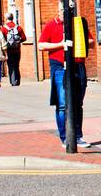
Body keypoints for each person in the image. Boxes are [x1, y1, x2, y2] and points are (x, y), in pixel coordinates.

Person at [38, 9, 94, 147]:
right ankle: (65, 137)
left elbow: (91, 41)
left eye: (68, 10)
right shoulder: (51, 25)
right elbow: (41, 45)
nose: (65, 13)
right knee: (62, 104)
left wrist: (80, 42)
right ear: (58, 11)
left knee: (78, 103)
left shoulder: (78, 23)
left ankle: (78, 136)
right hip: (59, 67)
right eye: (62, 10)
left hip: (78, 64)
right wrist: (61, 44)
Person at [3, 13, 26, 86]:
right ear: (12, 18)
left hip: (9, 50)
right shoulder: (18, 27)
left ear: (6, 18)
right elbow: (24, 38)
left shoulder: (4, 28)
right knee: (16, 65)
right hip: (17, 50)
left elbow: (2, 40)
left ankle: (13, 81)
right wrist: (17, 42)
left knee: (10, 65)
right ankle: (17, 81)